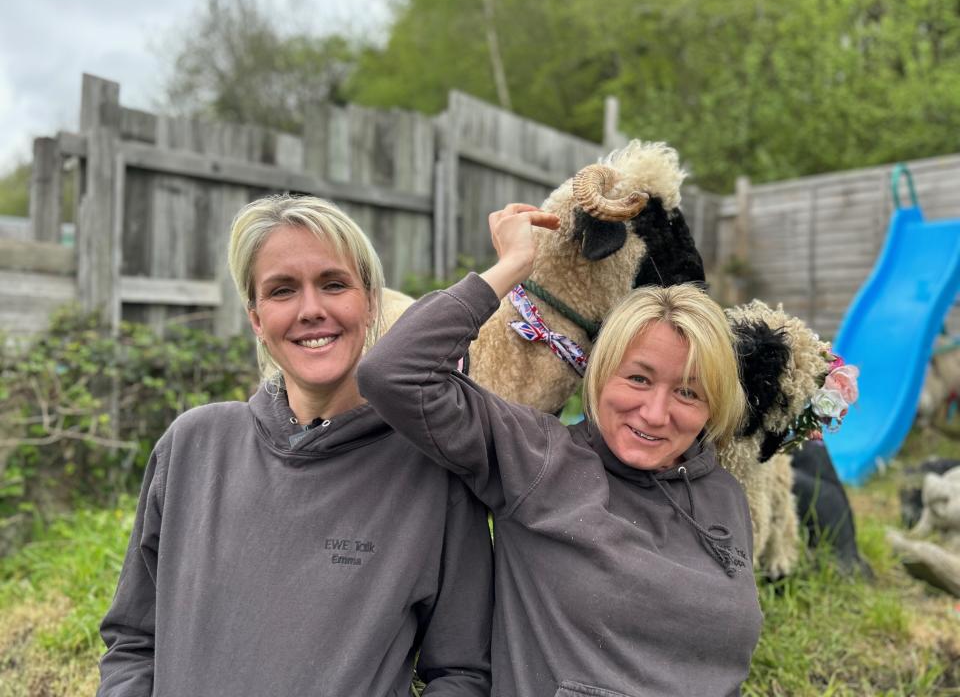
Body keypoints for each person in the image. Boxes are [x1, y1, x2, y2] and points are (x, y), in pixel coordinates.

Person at [358, 203, 762, 697]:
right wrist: (511, 268)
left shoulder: (723, 494)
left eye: (688, 392)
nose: (656, 414)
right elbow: (394, 373)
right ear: (598, 373)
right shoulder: (538, 458)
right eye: (637, 378)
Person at [98, 195, 493, 696]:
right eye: (282, 291)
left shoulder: (432, 472)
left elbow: (464, 673)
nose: (311, 310)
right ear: (257, 319)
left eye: (333, 284)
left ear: (370, 300)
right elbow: (133, 640)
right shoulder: (193, 447)